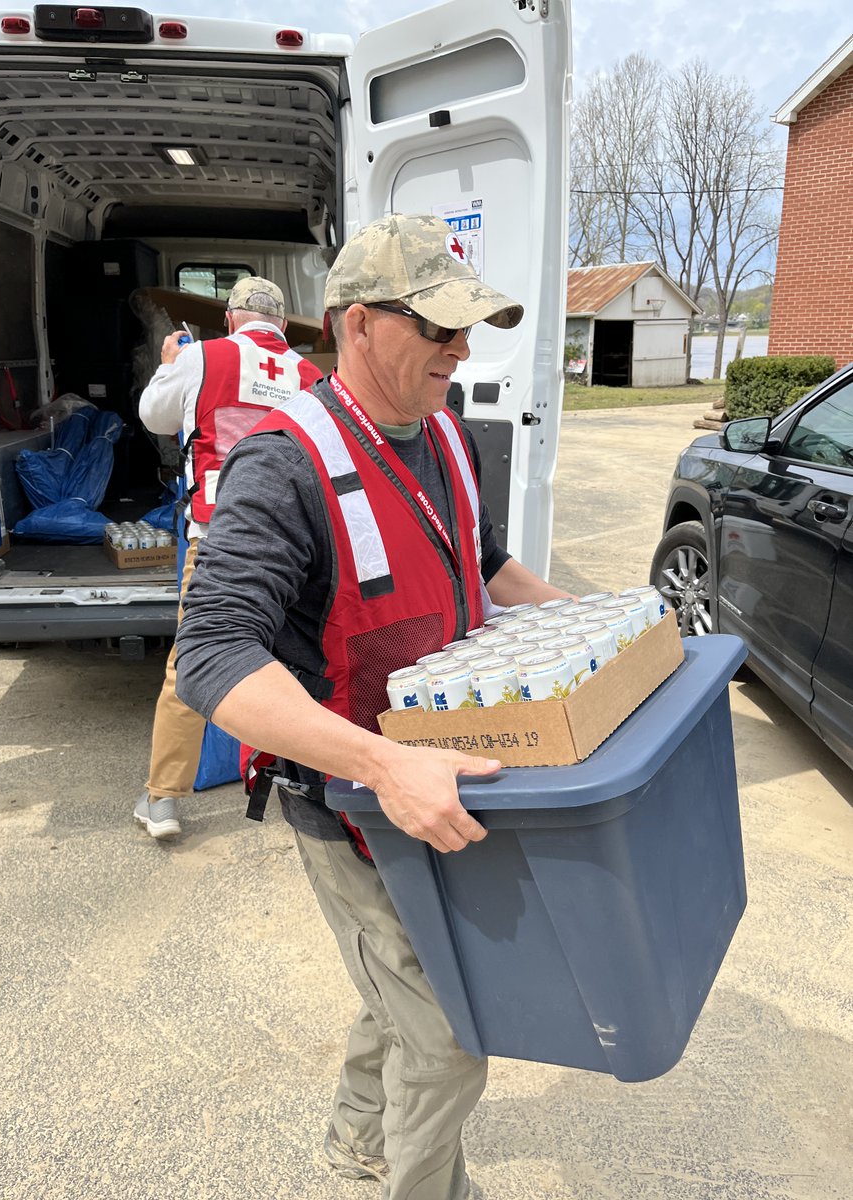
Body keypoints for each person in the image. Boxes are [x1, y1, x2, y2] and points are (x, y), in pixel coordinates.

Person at [174, 214, 572, 1198]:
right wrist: (385, 764)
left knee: (404, 981)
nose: (461, 349)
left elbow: (478, 561)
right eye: (437, 328)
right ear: (357, 325)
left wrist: (596, 623)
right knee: (447, 1038)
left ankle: (357, 1134)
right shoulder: (285, 464)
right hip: (350, 803)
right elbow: (211, 654)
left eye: (465, 327)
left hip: (434, 777)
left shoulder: (440, 432)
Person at [133, 276, 324, 839]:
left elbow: (154, 417)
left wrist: (170, 363)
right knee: (299, 660)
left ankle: (163, 799)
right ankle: (308, 782)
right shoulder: (313, 377)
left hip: (221, 537)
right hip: (299, 541)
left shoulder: (202, 358)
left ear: (230, 319)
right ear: (284, 327)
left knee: (193, 662)